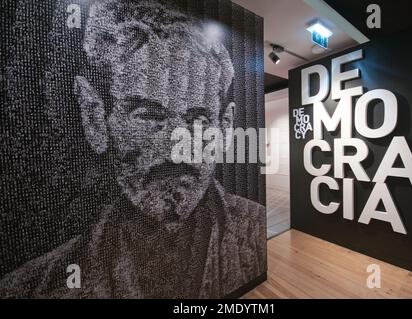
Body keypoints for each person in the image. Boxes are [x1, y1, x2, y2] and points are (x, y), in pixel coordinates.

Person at [0, 0, 266, 298]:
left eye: (198, 120)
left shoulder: (256, 236)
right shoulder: (35, 289)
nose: (176, 146)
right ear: (95, 118)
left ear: (225, 127)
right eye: (149, 115)